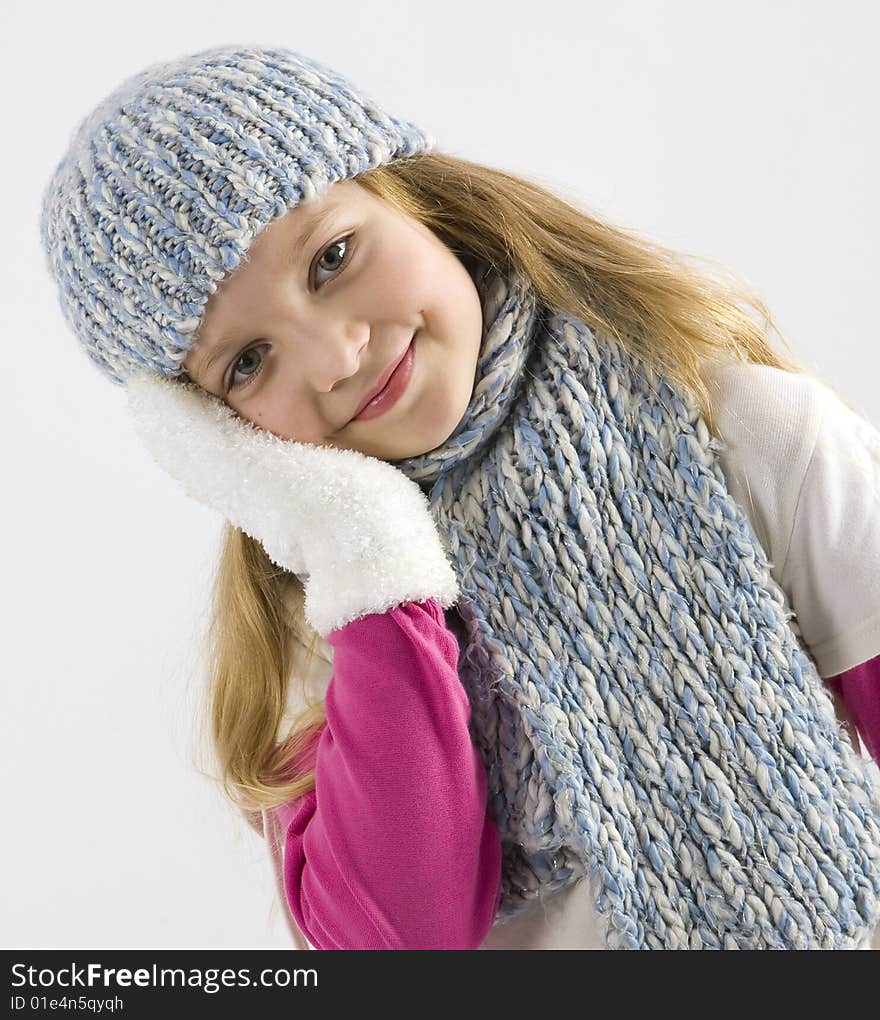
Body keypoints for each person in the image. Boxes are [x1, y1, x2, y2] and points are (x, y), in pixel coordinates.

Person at [39, 43, 880, 950]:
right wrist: (370, 569)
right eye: (247, 362)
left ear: (411, 193)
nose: (336, 355)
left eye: (331, 258)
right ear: (202, 434)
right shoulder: (309, 630)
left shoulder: (745, 435)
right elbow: (401, 948)